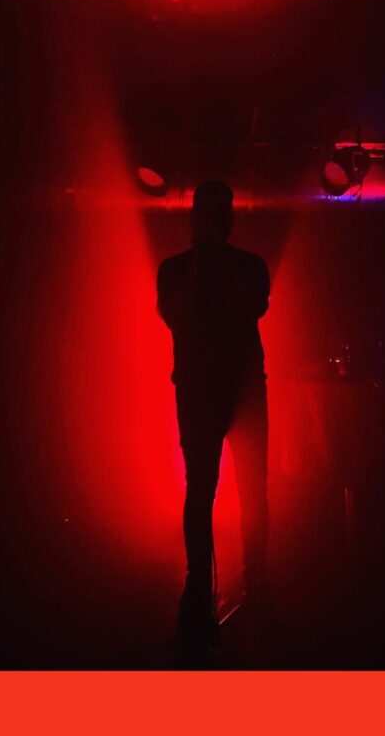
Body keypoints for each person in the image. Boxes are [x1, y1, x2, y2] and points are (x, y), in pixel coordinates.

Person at [156, 180, 271, 646]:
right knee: (205, 490)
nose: (210, 220)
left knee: (248, 490)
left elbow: (253, 306)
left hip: (236, 392)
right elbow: (176, 315)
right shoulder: (176, 270)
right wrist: (206, 263)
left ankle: (251, 582)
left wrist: (213, 262)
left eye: (216, 213)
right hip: (207, 393)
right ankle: (201, 584)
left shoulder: (247, 267)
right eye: (205, 212)